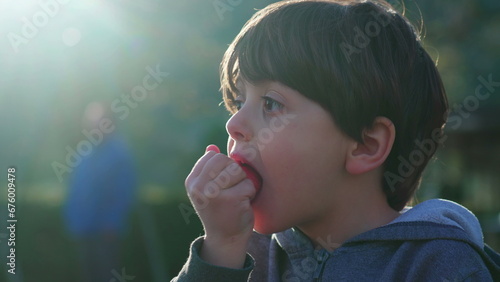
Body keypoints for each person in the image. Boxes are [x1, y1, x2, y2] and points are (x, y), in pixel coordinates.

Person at [173, 1, 500, 281]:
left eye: (271, 103)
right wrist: (220, 249)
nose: (234, 124)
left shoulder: (438, 264)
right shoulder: (246, 256)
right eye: (239, 102)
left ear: (365, 145)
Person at [64, 102, 137, 282]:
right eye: (90, 121)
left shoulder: (118, 153)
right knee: (89, 274)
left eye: (97, 121)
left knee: (106, 274)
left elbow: (123, 191)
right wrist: (73, 219)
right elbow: (77, 189)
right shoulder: (86, 152)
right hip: (84, 227)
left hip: (105, 230)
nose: (92, 125)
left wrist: (112, 221)